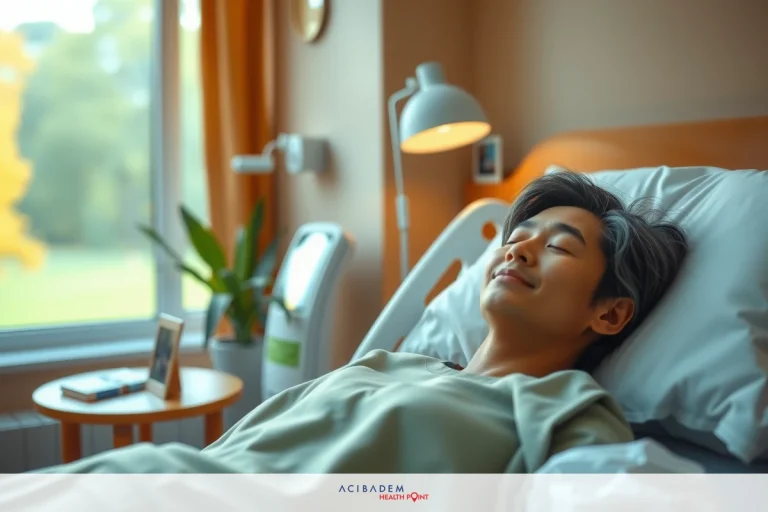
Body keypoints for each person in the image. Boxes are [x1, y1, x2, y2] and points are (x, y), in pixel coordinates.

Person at [41, 171, 688, 474]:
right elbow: (223, 455)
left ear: (610, 312)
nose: (517, 251)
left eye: (558, 248)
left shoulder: (563, 409)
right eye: (516, 237)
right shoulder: (388, 363)